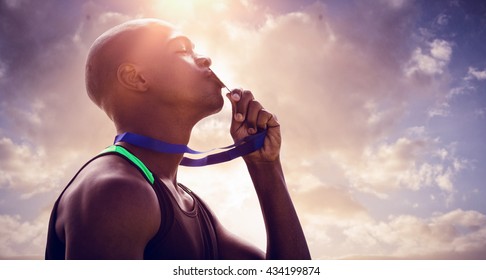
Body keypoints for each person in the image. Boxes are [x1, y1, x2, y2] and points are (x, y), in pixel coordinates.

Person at [45, 18, 311, 260]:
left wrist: (265, 166)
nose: (206, 59)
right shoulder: (117, 193)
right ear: (135, 77)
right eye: (182, 50)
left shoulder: (186, 202)